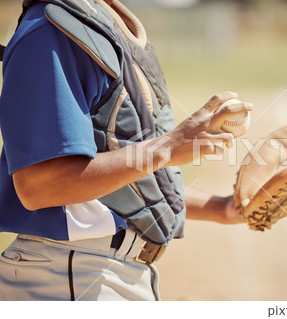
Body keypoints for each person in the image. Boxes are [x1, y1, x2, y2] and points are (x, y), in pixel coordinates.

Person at [0, 0, 253, 301]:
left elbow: (123, 177)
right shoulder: (51, 31)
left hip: (98, 272)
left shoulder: (103, 22)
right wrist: (167, 147)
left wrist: (220, 209)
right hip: (73, 278)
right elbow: (39, 184)